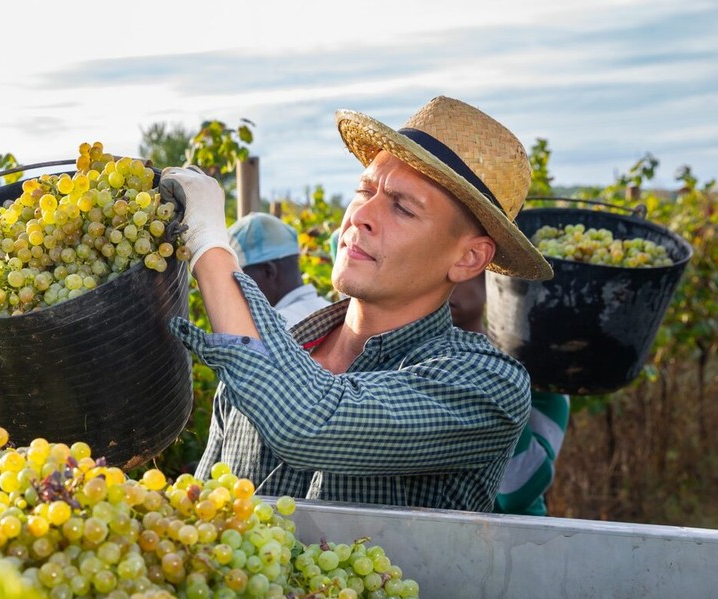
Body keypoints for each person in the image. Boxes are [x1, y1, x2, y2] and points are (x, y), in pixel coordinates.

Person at [159, 95, 554, 512]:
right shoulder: (276, 348)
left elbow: (307, 423)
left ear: (468, 258)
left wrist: (208, 245)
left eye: (402, 208)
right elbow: (198, 513)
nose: (361, 215)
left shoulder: (486, 383)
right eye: (364, 190)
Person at [448, 273, 571, 515]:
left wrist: (484, 376)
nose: (448, 278)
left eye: (466, 266)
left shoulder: (536, 371)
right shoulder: (391, 354)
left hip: (516, 542)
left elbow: (521, 488)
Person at [228, 212, 332, 327]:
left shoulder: (272, 330)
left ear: (268, 271)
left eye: (241, 278)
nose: (237, 288)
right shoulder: (331, 311)